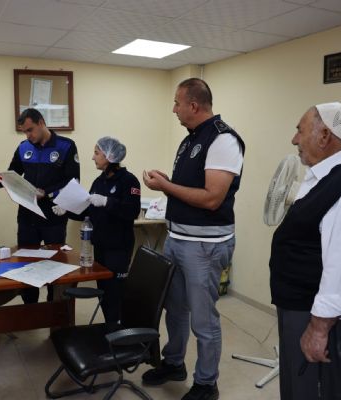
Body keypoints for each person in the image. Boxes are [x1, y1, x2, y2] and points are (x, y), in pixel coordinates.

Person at [269, 102, 341, 400]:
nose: (294, 139)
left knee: (315, 391)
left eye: (300, 130)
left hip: (321, 319)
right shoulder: (327, 176)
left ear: (324, 136)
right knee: (296, 388)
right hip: (302, 307)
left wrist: (319, 329)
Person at [141, 78, 245, 400]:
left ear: (194, 105)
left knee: (203, 319)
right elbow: (189, 189)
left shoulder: (223, 140)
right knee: (175, 309)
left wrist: (166, 187)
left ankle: (206, 384)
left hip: (205, 246)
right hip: (177, 238)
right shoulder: (190, 140)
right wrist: (168, 183)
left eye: (177, 103)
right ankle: (174, 363)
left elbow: (212, 198)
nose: (174, 109)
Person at [0, 108, 80, 303]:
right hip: (28, 217)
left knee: (55, 266)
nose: (28, 135)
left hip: (53, 217)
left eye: (30, 130)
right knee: (26, 266)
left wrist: (47, 192)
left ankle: (53, 309)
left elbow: (73, 181)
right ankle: (30, 309)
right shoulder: (23, 147)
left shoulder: (66, 146)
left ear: (41, 123)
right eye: (24, 132)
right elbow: (12, 176)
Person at [53, 136, 141, 323]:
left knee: (115, 292)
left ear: (109, 155)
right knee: (104, 291)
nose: (93, 157)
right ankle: (110, 328)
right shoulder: (99, 181)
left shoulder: (129, 181)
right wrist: (67, 210)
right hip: (100, 245)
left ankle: (119, 330)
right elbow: (90, 211)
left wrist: (108, 201)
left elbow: (132, 211)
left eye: (96, 153)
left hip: (118, 247)